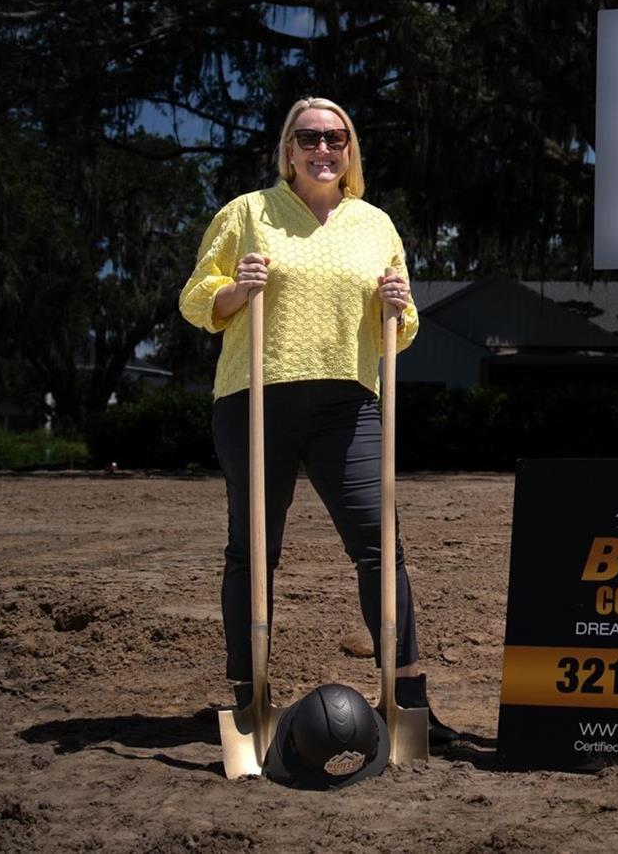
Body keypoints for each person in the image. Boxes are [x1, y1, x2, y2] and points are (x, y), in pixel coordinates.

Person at [179, 96, 453, 743]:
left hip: (347, 405)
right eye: (308, 137)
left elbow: (402, 327)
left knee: (380, 545)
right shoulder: (247, 213)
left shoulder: (375, 225)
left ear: (350, 150)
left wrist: (397, 306)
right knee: (253, 549)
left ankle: (406, 698)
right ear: (288, 150)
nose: (322, 148)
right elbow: (196, 298)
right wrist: (236, 290)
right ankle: (251, 700)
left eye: (335, 137)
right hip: (256, 397)